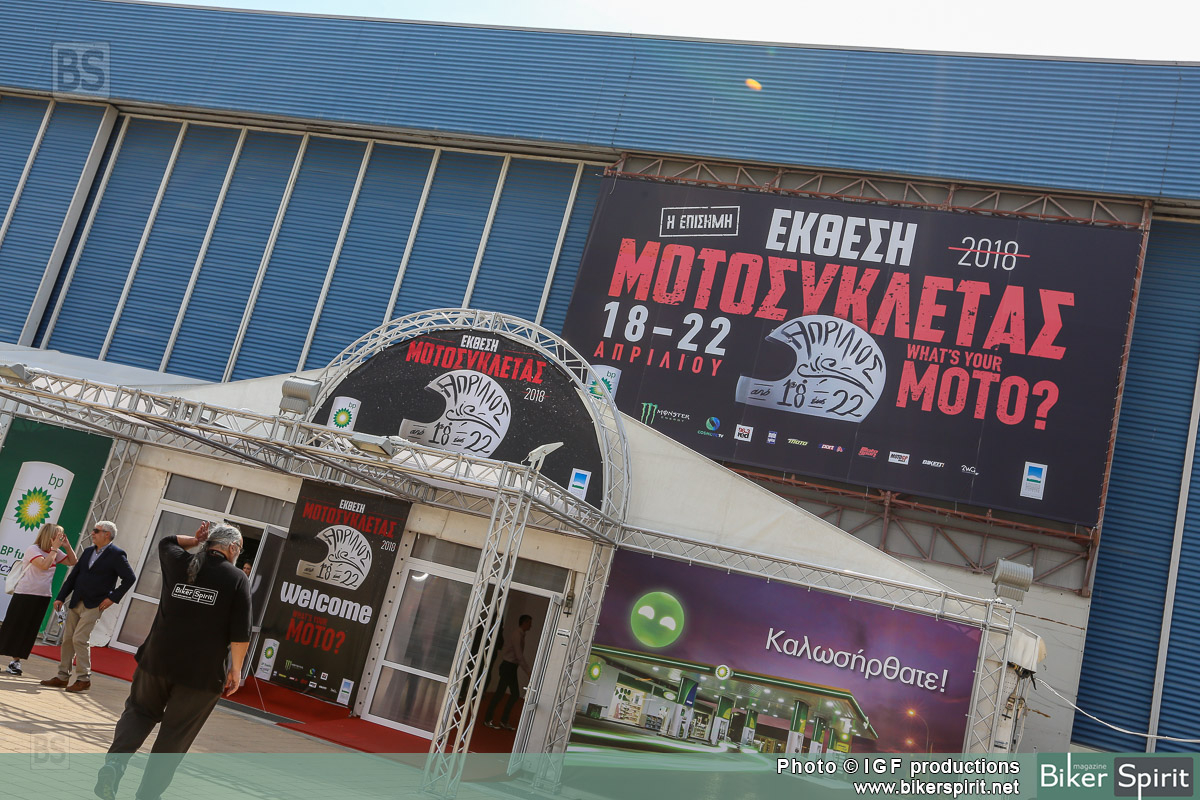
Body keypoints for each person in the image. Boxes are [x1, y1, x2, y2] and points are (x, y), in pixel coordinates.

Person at [94, 521, 250, 800]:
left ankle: (115, 764)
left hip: (156, 661)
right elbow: (240, 634)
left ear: (209, 543)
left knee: (139, 712)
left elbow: (166, 541)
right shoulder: (237, 579)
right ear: (232, 548)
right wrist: (236, 670)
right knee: (174, 736)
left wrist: (195, 539)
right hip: (201, 676)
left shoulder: (179, 561)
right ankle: (148, 795)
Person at [40, 520, 136, 693]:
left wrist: (112, 598)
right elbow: (73, 577)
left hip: (95, 604)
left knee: (79, 639)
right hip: (77, 601)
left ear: (107, 534)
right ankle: (62, 677)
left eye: (96, 531)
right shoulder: (88, 551)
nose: (92, 533)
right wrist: (61, 597)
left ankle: (84, 679)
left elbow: (129, 578)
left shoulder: (117, 554)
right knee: (68, 639)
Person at [0, 524, 77, 675]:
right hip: (24, 594)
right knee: (12, 627)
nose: (61, 538)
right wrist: (55, 549)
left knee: (28, 630)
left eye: (62, 536)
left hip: (43, 596)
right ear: (50, 536)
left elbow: (72, 561)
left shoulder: (55, 551)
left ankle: (15, 662)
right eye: (58, 535)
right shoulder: (33, 549)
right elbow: (44, 565)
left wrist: (67, 546)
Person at [482, 614, 533, 731]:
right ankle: (490, 719)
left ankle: (501, 720)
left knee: (510, 694)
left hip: (510, 667)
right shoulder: (517, 635)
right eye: (529, 623)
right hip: (508, 667)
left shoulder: (519, 634)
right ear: (524, 622)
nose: (531, 625)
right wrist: (528, 671)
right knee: (502, 694)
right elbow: (519, 655)